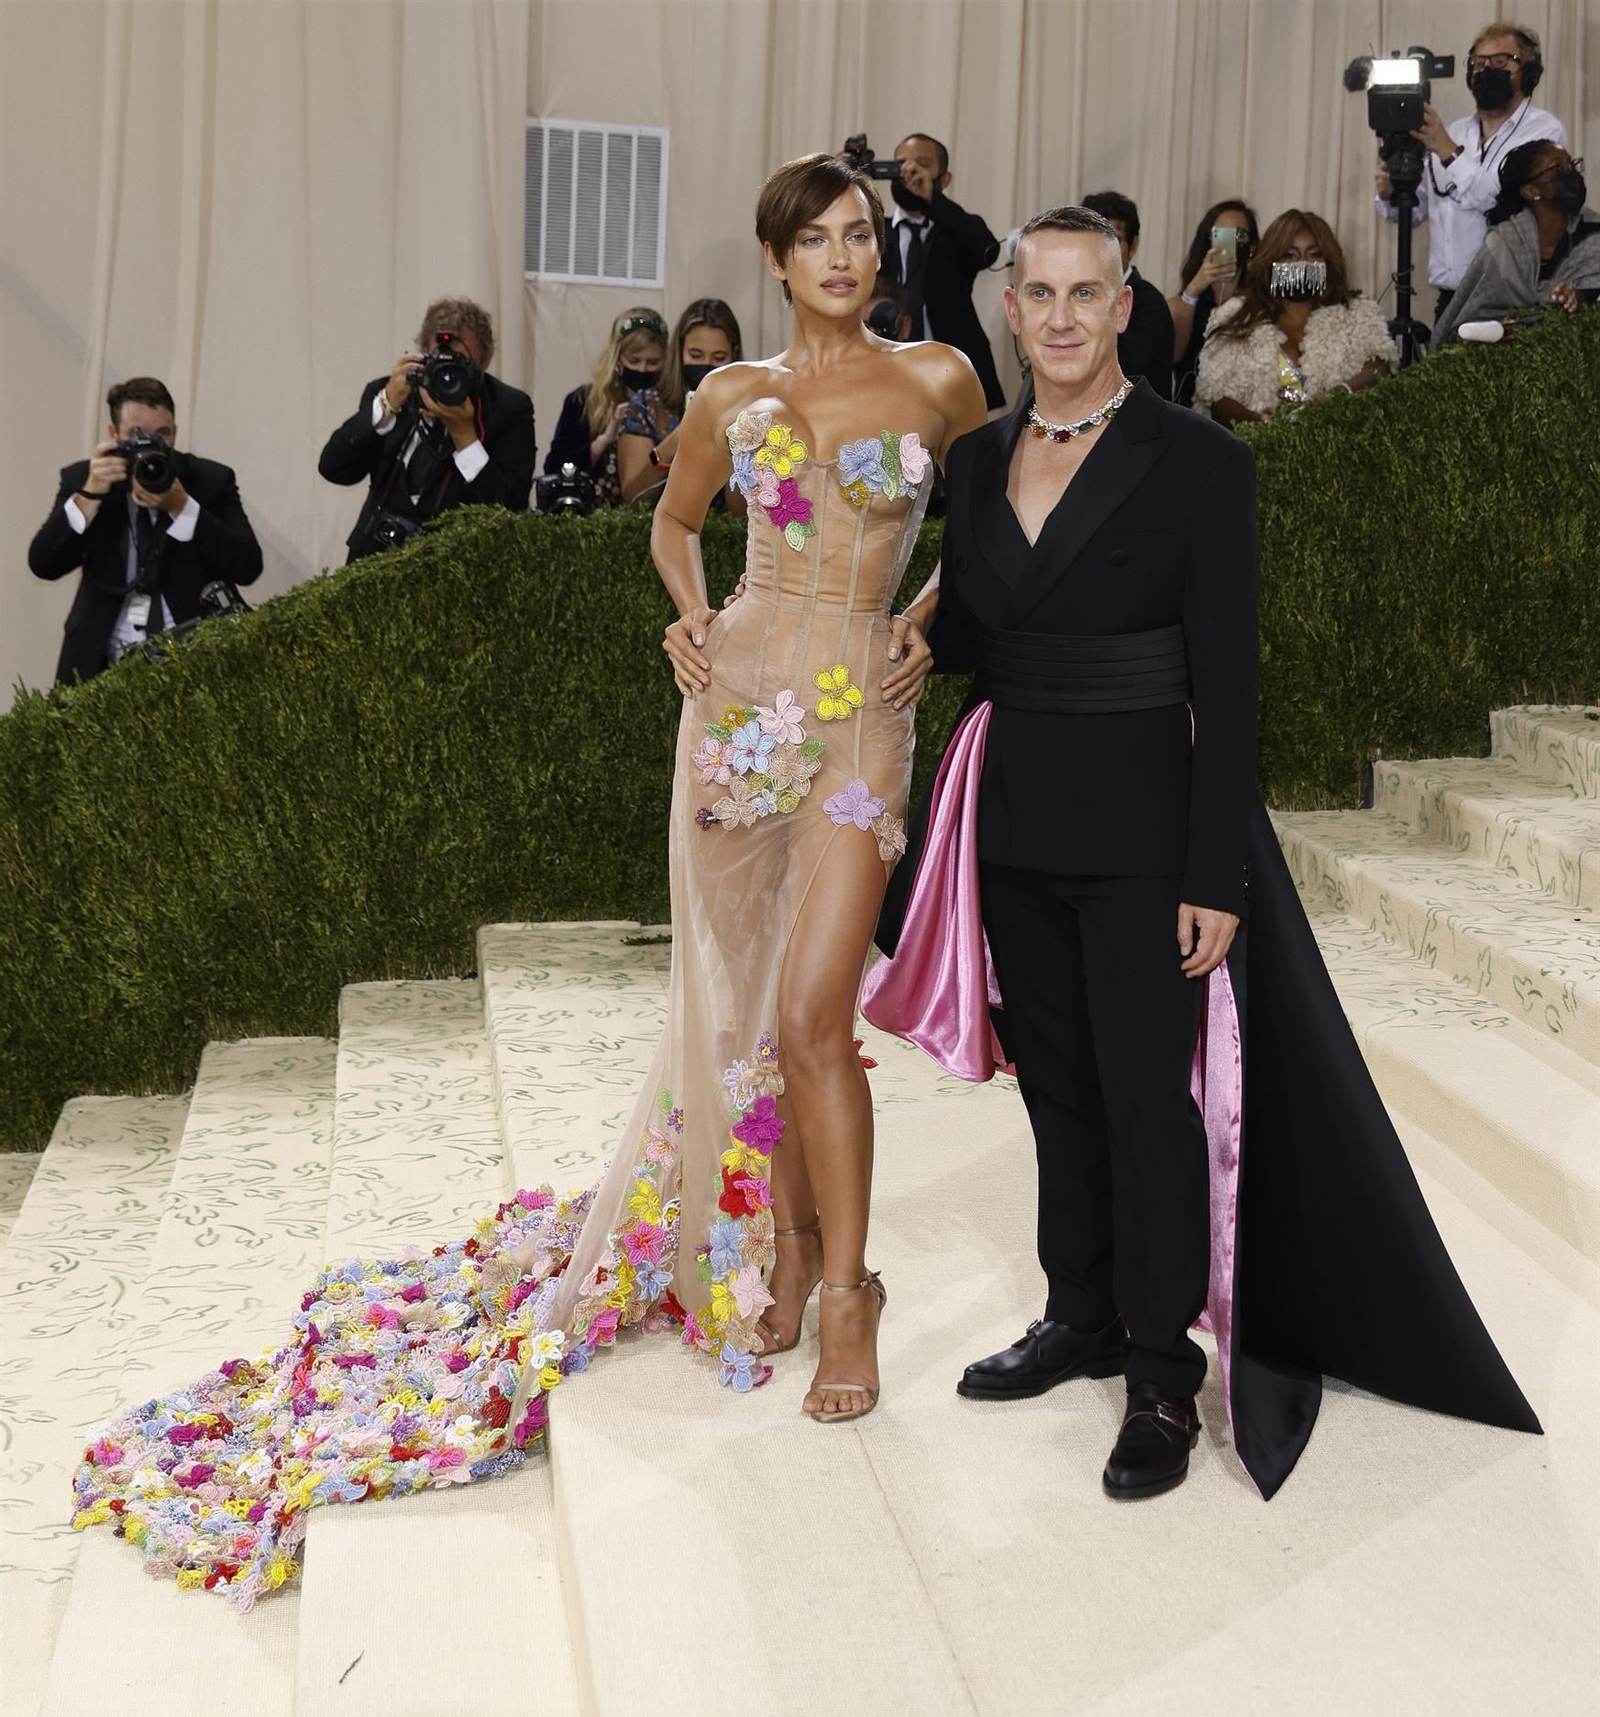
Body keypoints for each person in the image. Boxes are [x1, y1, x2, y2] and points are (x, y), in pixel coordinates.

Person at [71, 152, 988, 1607]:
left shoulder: (939, 378)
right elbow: (674, 525)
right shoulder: (727, 398)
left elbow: (1001, 517)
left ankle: (852, 1297)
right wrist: (687, 624)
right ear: (775, 258)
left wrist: (936, 614)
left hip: (866, 709)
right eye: (814, 238)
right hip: (737, 709)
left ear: (883, 252)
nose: (842, 256)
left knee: (821, 1011)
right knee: (750, 1009)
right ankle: (791, 1246)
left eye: (860, 235)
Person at [863, 204, 1539, 1502]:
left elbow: (1230, 683)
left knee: (1145, 1103)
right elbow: (986, 617)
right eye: (1039, 294)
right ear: (1010, 311)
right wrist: (917, 638)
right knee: (1056, 1090)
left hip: (1142, 826)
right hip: (1014, 819)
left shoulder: (1196, 460)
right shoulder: (977, 455)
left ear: (1127, 307)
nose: (1060, 316)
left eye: (1086, 293)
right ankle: (1083, 1314)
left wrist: (1212, 873)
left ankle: (1165, 1375)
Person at [28, 376, 263, 685]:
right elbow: (43, 564)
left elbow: (248, 567)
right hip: (99, 663)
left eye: (162, 435)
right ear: (113, 434)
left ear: (176, 433)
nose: (151, 446)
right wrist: (89, 497)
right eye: (136, 435)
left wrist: (183, 507)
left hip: (193, 661)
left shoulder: (208, 480)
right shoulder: (83, 479)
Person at [1375, 21, 1568, 320]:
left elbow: (1502, 203)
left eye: (1501, 61)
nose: (1485, 69)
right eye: (1478, 62)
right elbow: (1416, 211)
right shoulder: (1454, 131)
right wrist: (1390, 192)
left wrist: (1447, 151)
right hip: (1450, 302)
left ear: (1527, 73)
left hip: (1509, 304)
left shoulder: (1543, 131)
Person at [319, 297, 535, 563]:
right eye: (439, 360)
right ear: (421, 353)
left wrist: (465, 436)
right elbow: (333, 469)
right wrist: (386, 405)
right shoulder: (394, 393)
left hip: (456, 574)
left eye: (460, 363)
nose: (448, 374)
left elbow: (511, 508)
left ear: (486, 359)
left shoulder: (508, 408)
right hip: (373, 565)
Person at [1195, 210, 1397, 424]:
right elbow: (1215, 395)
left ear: (1328, 262)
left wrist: (1337, 395)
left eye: (1314, 255)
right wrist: (1260, 422)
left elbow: (1380, 366)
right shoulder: (1234, 315)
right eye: (1289, 255)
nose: (1302, 264)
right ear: (1271, 261)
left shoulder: (1357, 312)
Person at [882, 132, 1005, 409]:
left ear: (944, 179)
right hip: (887, 372)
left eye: (921, 164)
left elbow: (987, 251)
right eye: (900, 163)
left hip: (953, 373)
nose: (909, 171)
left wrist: (932, 200)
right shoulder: (874, 232)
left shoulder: (955, 229)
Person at [1434, 143, 1599, 344]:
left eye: (1571, 165)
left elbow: (1592, 293)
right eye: (1560, 168)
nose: (1571, 174)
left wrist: (1577, 297)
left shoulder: (1593, 233)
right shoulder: (1504, 244)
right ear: (1532, 191)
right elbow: (1467, 320)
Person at [616, 297, 744, 506]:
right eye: (695, 355)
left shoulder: (748, 409)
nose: (706, 365)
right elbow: (634, 496)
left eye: (719, 357)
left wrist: (737, 444)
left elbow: (740, 511)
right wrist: (677, 441)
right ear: (680, 351)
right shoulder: (646, 405)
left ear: (733, 355)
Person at [542, 308, 667, 507]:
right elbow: (555, 467)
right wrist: (604, 440)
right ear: (617, 359)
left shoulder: (670, 407)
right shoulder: (582, 402)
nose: (642, 370)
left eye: (652, 363)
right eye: (634, 361)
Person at [1082, 189, 1174, 396]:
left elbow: (1123, 367)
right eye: (1093, 239)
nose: (1102, 250)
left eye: (1113, 240)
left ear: (1133, 246)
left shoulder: (1149, 302)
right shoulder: (1069, 297)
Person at [1168, 198, 1260, 406]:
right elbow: (1174, 354)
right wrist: (1194, 290)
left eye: (1240, 235)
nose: (1231, 243)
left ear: (1252, 246)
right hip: (1190, 416)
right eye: (1220, 234)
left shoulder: (1259, 307)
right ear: (1207, 240)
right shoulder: (1180, 304)